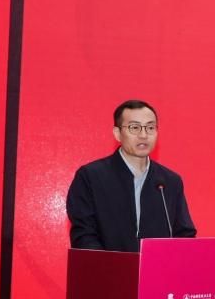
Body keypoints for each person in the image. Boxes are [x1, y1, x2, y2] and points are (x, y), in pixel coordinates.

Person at [66, 99, 197, 251]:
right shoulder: (91, 177)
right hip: (106, 265)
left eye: (150, 127)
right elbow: (84, 235)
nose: (143, 135)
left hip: (157, 265)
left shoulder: (169, 181)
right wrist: (108, 263)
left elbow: (184, 235)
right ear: (117, 134)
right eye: (134, 127)